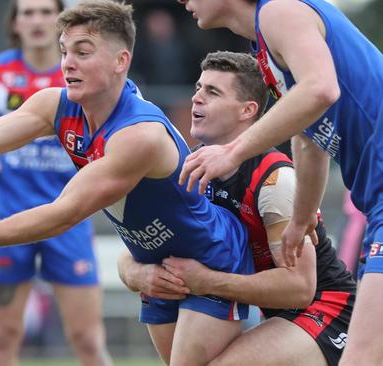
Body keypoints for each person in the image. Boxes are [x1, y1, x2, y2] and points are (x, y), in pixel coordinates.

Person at [0, 1, 256, 364]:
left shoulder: (138, 135)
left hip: (211, 257)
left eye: (83, 52)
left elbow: (63, 214)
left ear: (120, 61)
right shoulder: (56, 104)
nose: (67, 64)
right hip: (157, 263)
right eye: (64, 51)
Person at [174, 1, 383, 364]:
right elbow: (308, 137)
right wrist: (301, 219)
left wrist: (233, 151)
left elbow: (321, 89)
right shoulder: (266, 45)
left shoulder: (278, 10)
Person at [118, 51, 356, 366]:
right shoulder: (188, 167)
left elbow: (300, 287)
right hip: (270, 312)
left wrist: (208, 282)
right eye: (198, 88)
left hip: (326, 311)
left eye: (212, 92)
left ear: (247, 110)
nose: (196, 99)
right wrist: (137, 273)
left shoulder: (275, 179)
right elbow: (142, 240)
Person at [0, 1, 111, 365]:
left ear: (61, 21)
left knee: (87, 339)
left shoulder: (81, 71)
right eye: (28, 12)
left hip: (69, 214)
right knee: (2, 337)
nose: (37, 20)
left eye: (46, 11)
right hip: (8, 211)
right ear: (14, 22)